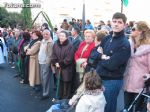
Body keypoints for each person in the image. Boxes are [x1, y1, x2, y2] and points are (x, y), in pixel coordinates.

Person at [96, 12, 131, 112]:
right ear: (111, 22)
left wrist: (101, 58)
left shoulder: (124, 43)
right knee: (98, 107)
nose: (116, 24)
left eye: (119, 22)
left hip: (112, 81)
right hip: (99, 77)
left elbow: (111, 65)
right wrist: (102, 56)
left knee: (108, 108)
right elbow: (94, 54)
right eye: (114, 21)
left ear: (124, 25)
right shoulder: (107, 38)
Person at [124, 21, 150, 111]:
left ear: (141, 31)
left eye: (133, 29)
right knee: (126, 108)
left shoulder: (148, 48)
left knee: (139, 109)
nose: (131, 30)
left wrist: (148, 78)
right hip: (127, 82)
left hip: (141, 84)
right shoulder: (128, 44)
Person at [51, 30, 75, 99]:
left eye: (63, 36)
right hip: (58, 67)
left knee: (66, 84)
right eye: (60, 36)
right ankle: (59, 98)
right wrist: (55, 62)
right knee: (60, 84)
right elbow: (53, 54)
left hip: (67, 69)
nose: (61, 37)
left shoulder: (70, 45)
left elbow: (69, 58)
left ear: (66, 37)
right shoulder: (56, 44)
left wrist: (60, 64)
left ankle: (65, 100)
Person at [38, 29, 53, 99]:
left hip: (45, 63)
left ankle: (45, 93)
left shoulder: (50, 43)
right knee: (42, 78)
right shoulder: (43, 41)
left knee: (45, 78)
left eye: (47, 34)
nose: (45, 35)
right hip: (41, 62)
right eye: (44, 34)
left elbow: (50, 55)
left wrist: (47, 65)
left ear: (49, 34)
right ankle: (44, 91)